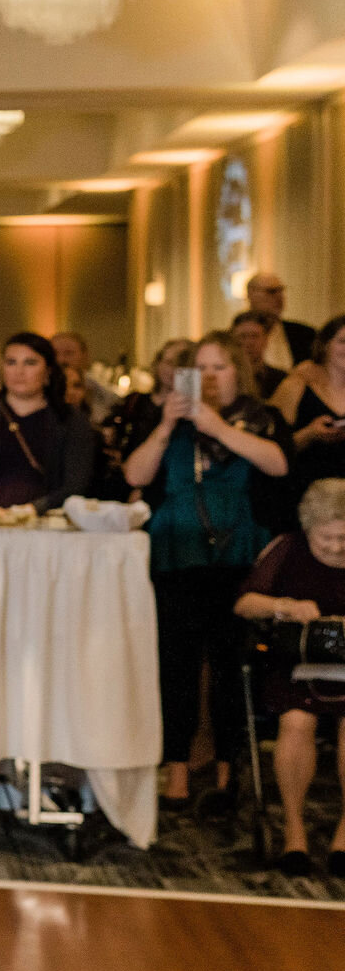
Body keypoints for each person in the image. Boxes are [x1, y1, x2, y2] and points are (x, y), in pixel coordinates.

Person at [122, 332, 291, 808]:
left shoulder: (260, 418)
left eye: (220, 367)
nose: (211, 378)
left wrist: (216, 427)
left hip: (237, 555)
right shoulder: (165, 418)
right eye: (201, 369)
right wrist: (164, 426)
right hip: (177, 552)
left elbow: (278, 465)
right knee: (175, 666)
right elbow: (135, 476)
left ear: (238, 370)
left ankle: (225, 770)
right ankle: (176, 771)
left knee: (229, 666)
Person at [234, 478, 345, 876]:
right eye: (326, 538)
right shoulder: (287, 549)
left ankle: (344, 835)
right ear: (309, 528)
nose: (335, 547)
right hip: (298, 663)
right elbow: (245, 603)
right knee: (296, 723)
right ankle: (294, 834)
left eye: (343, 538)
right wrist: (286, 606)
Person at [0, 333, 101, 511]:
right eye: (11, 362)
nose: (19, 372)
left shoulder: (70, 418)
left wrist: (32, 510)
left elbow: (76, 483)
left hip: (50, 523)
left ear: (48, 370)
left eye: (30, 363)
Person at [106, 338, 195, 502]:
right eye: (168, 362)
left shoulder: (191, 411)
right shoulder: (135, 402)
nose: (172, 369)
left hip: (164, 489)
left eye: (180, 364)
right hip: (126, 481)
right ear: (158, 363)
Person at [272, 313, 345, 499]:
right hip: (303, 491)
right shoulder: (297, 385)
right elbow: (273, 447)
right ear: (325, 344)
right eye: (342, 341)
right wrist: (310, 433)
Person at [243, 271, 316, 371]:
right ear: (250, 295)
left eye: (281, 291)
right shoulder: (235, 337)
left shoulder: (305, 335)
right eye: (271, 291)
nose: (279, 297)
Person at [51, 330, 117, 426]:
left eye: (69, 353)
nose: (61, 360)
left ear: (84, 355)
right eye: (55, 354)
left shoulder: (95, 387)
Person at [231, 311, 289, 401]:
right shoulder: (225, 378)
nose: (249, 343)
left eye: (255, 336)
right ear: (232, 339)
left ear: (266, 340)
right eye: (243, 336)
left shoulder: (282, 380)